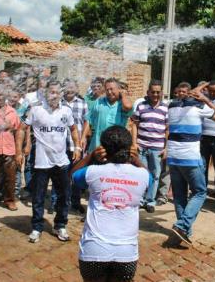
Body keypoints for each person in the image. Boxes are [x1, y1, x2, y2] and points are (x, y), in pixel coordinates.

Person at [71, 126, 149, 282]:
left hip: (94, 248)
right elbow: (151, 178)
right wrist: (136, 159)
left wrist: (90, 156)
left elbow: (73, 176)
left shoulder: (93, 172)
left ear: (103, 149)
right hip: (126, 251)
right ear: (129, 148)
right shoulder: (142, 175)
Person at [16, 81, 81, 243]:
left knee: (63, 196)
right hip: (41, 162)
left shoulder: (66, 110)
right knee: (38, 197)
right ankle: (37, 227)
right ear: (46, 93)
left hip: (61, 161)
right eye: (52, 92)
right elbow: (21, 128)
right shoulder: (36, 109)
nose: (55, 95)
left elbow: (73, 129)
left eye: (58, 92)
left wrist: (77, 147)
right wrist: (19, 151)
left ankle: (60, 225)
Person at [166, 82, 215, 245]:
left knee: (179, 195)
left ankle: (183, 232)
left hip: (173, 157)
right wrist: (205, 99)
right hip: (190, 157)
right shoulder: (198, 107)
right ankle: (182, 225)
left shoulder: (171, 106)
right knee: (200, 192)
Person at [131, 79, 168, 213]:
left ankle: (150, 201)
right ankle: (140, 200)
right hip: (142, 146)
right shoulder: (141, 106)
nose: (155, 94)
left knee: (155, 175)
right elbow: (134, 125)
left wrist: (166, 148)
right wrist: (134, 143)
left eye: (158, 92)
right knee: (141, 174)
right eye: (153, 92)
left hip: (157, 148)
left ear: (161, 93)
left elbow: (167, 129)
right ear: (148, 92)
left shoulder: (165, 108)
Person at [82, 78, 132, 153]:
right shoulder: (99, 101)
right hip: (97, 146)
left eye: (112, 89)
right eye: (107, 90)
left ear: (119, 89)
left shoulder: (122, 104)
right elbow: (89, 119)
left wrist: (123, 94)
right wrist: (83, 137)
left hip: (115, 148)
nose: (109, 92)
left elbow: (128, 107)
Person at [61, 79, 89, 214]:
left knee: (76, 175)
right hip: (61, 145)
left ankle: (75, 202)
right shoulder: (58, 103)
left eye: (72, 87)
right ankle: (58, 202)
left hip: (76, 146)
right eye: (67, 87)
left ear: (76, 89)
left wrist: (83, 137)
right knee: (60, 175)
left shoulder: (82, 103)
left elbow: (86, 122)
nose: (69, 90)